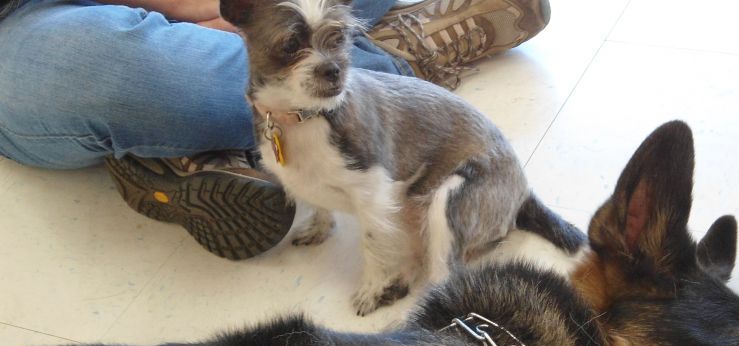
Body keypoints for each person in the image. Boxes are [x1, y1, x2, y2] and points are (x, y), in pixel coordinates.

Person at [0, 0, 550, 260]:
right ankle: (394, 57)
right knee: (121, 76)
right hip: (26, 24)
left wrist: (217, 11)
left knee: (261, 69)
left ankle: (188, 146)